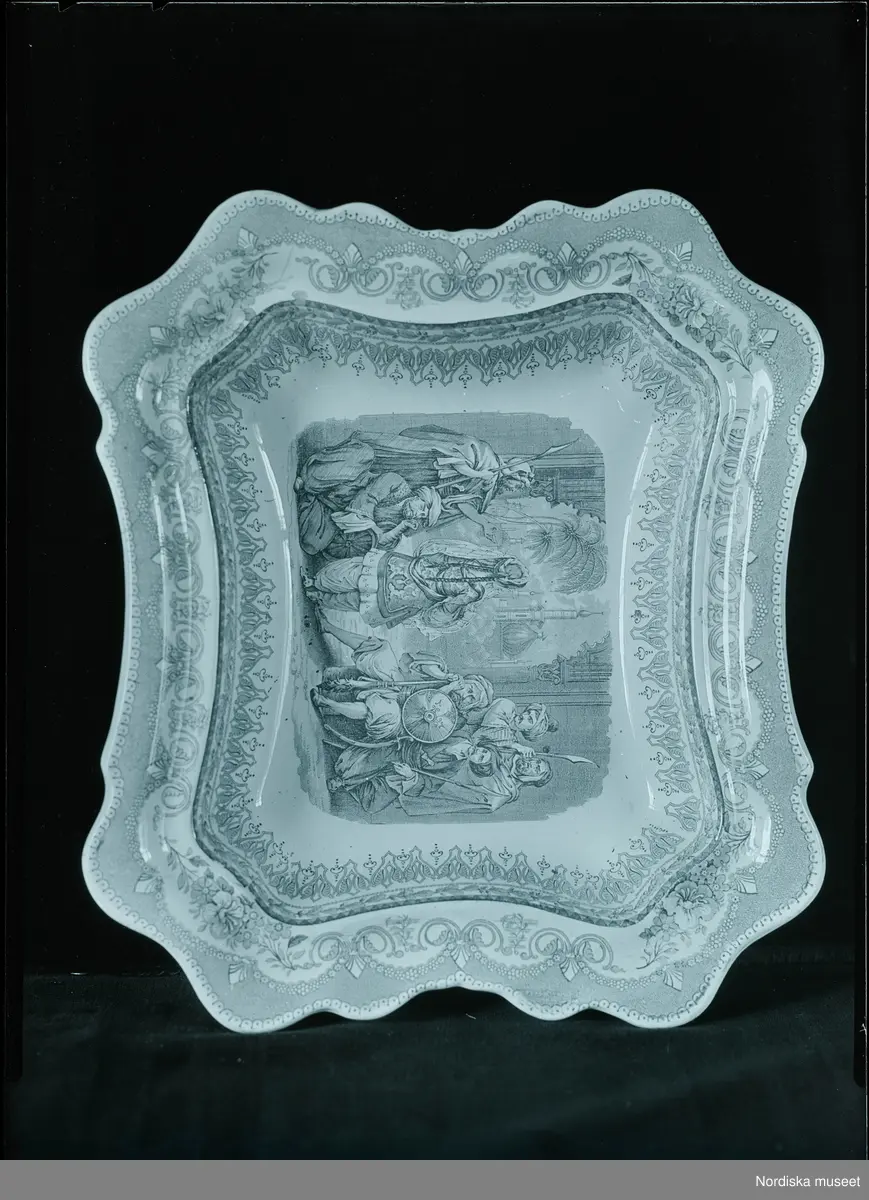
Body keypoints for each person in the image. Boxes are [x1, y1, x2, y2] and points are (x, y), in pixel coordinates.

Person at [294, 426, 535, 547]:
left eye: (519, 487)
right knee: (366, 463)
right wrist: (478, 473)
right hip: (418, 466)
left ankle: (321, 501)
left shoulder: (489, 489)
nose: (514, 487)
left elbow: (462, 503)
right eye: (518, 481)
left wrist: (483, 522)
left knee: (315, 541)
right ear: (513, 470)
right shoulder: (486, 456)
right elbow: (453, 458)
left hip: (420, 489)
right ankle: (311, 481)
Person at [304, 545, 528, 632]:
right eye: (508, 568)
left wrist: (456, 605)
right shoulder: (477, 559)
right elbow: (446, 556)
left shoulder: (475, 592)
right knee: (355, 572)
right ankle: (317, 582)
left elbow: (441, 612)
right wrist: (433, 559)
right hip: (410, 568)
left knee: (358, 600)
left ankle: (318, 596)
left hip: (414, 596)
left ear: (505, 582)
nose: (504, 572)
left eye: (509, 576)